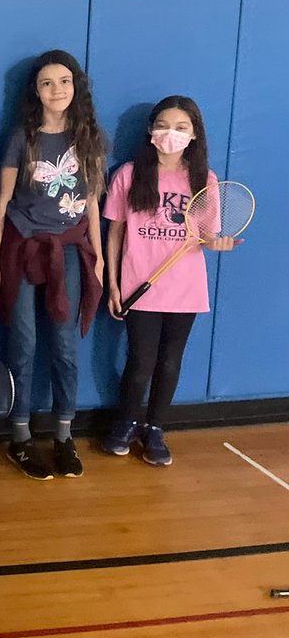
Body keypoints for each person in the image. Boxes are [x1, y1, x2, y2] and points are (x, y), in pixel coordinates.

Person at [0, 50, 105, 480]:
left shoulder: (88, 136)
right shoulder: (21, 136)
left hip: (68, 251)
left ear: (77, 87)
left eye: (65, 81)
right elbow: (0, 204)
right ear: (35, 92)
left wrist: (100, 258)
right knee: (24, 343)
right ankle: (20, 435)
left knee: (65, 345)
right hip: (21, 248)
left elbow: (91, 202)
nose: (58, 90)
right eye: (48, 83)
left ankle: (64, 434)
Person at [102, 96, 238, 465]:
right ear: (150, 130)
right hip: (139, 287)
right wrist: (113, 284)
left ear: (194, 135)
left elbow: (208, 235)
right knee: (140, 361)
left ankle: (155, 428)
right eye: (163, 125)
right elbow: (114, 233)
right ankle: (126, 422)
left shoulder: (203, 179)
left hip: (186, 289)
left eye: (181, 128)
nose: (170, 134)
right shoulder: (128, 174)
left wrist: (218, 243)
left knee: (170, 363)